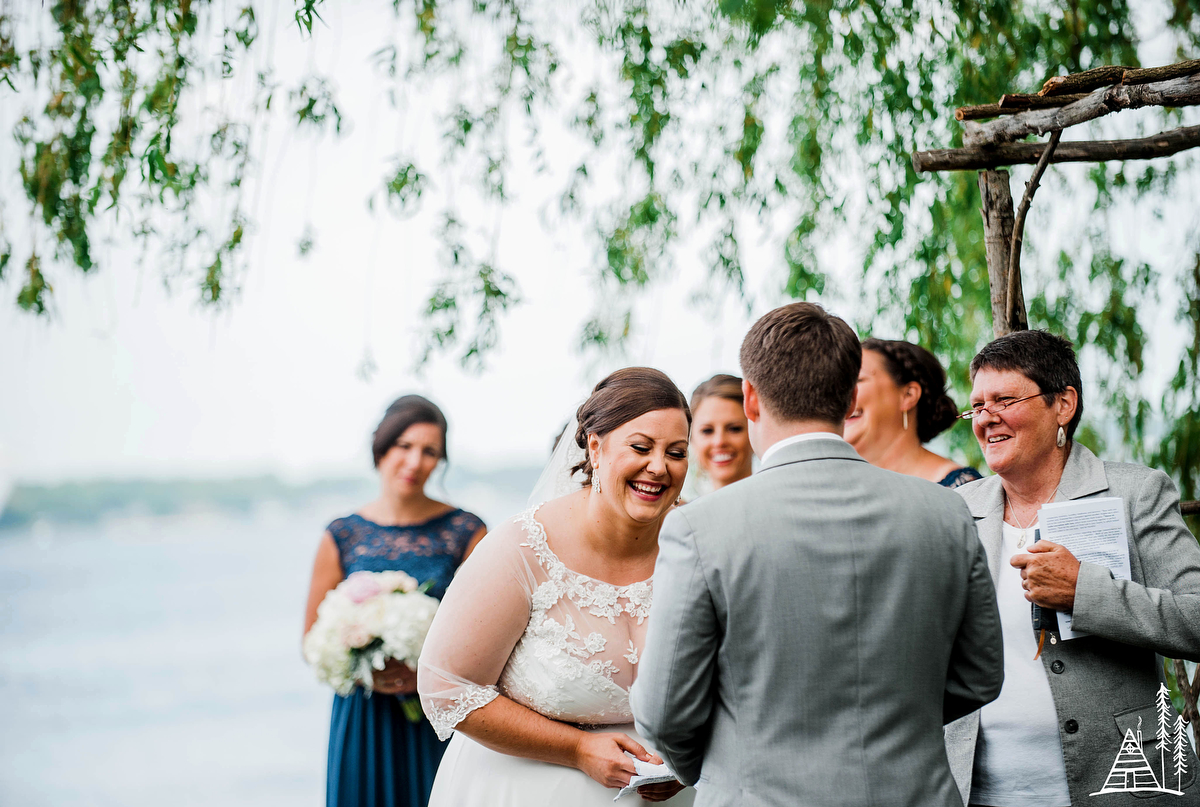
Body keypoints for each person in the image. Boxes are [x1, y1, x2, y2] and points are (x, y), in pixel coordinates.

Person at [631, 302, 1004, 807]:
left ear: (750, 398)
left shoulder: (700, 528)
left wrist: (730, 768)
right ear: (850, 397)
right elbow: (980, 674)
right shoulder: (947, 512)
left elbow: (662, 713)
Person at [417, 367, 696, 806]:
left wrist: (689, 757)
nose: (658, 467)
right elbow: (446, 686)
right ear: (596, 446)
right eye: (641, 447)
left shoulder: (700, 541)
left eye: (676, 453)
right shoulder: (522, 547)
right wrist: (577, 749)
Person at [945, 329, 1200, 807]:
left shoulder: (1135, 493)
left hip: (1120, 785)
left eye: (1004, 399)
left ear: (1063, 404)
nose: (985, 418)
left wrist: (1086, 592)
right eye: (977, 405)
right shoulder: (957, 509)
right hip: (980, 793)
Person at [303, 395, 487, 807]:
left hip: (437, 715)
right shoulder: (342, 535)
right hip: (363, 717)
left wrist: (426, 673)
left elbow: (488, 641)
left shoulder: (466, 532)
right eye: (404, 446)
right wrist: (363, 668)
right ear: (381, 447)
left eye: (430, 451)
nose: (415, 461)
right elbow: (311, 641)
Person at [845, 337, 983, 488]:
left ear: (908, 395)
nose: (839, 392)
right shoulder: (838, 488)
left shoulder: (964, 490)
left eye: (857, 379)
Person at [687, 374, 753, 495]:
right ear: (691, 438)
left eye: (734, 429)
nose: (719, 441)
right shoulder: (679, 512)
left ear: (754, 432)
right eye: (707, 431)